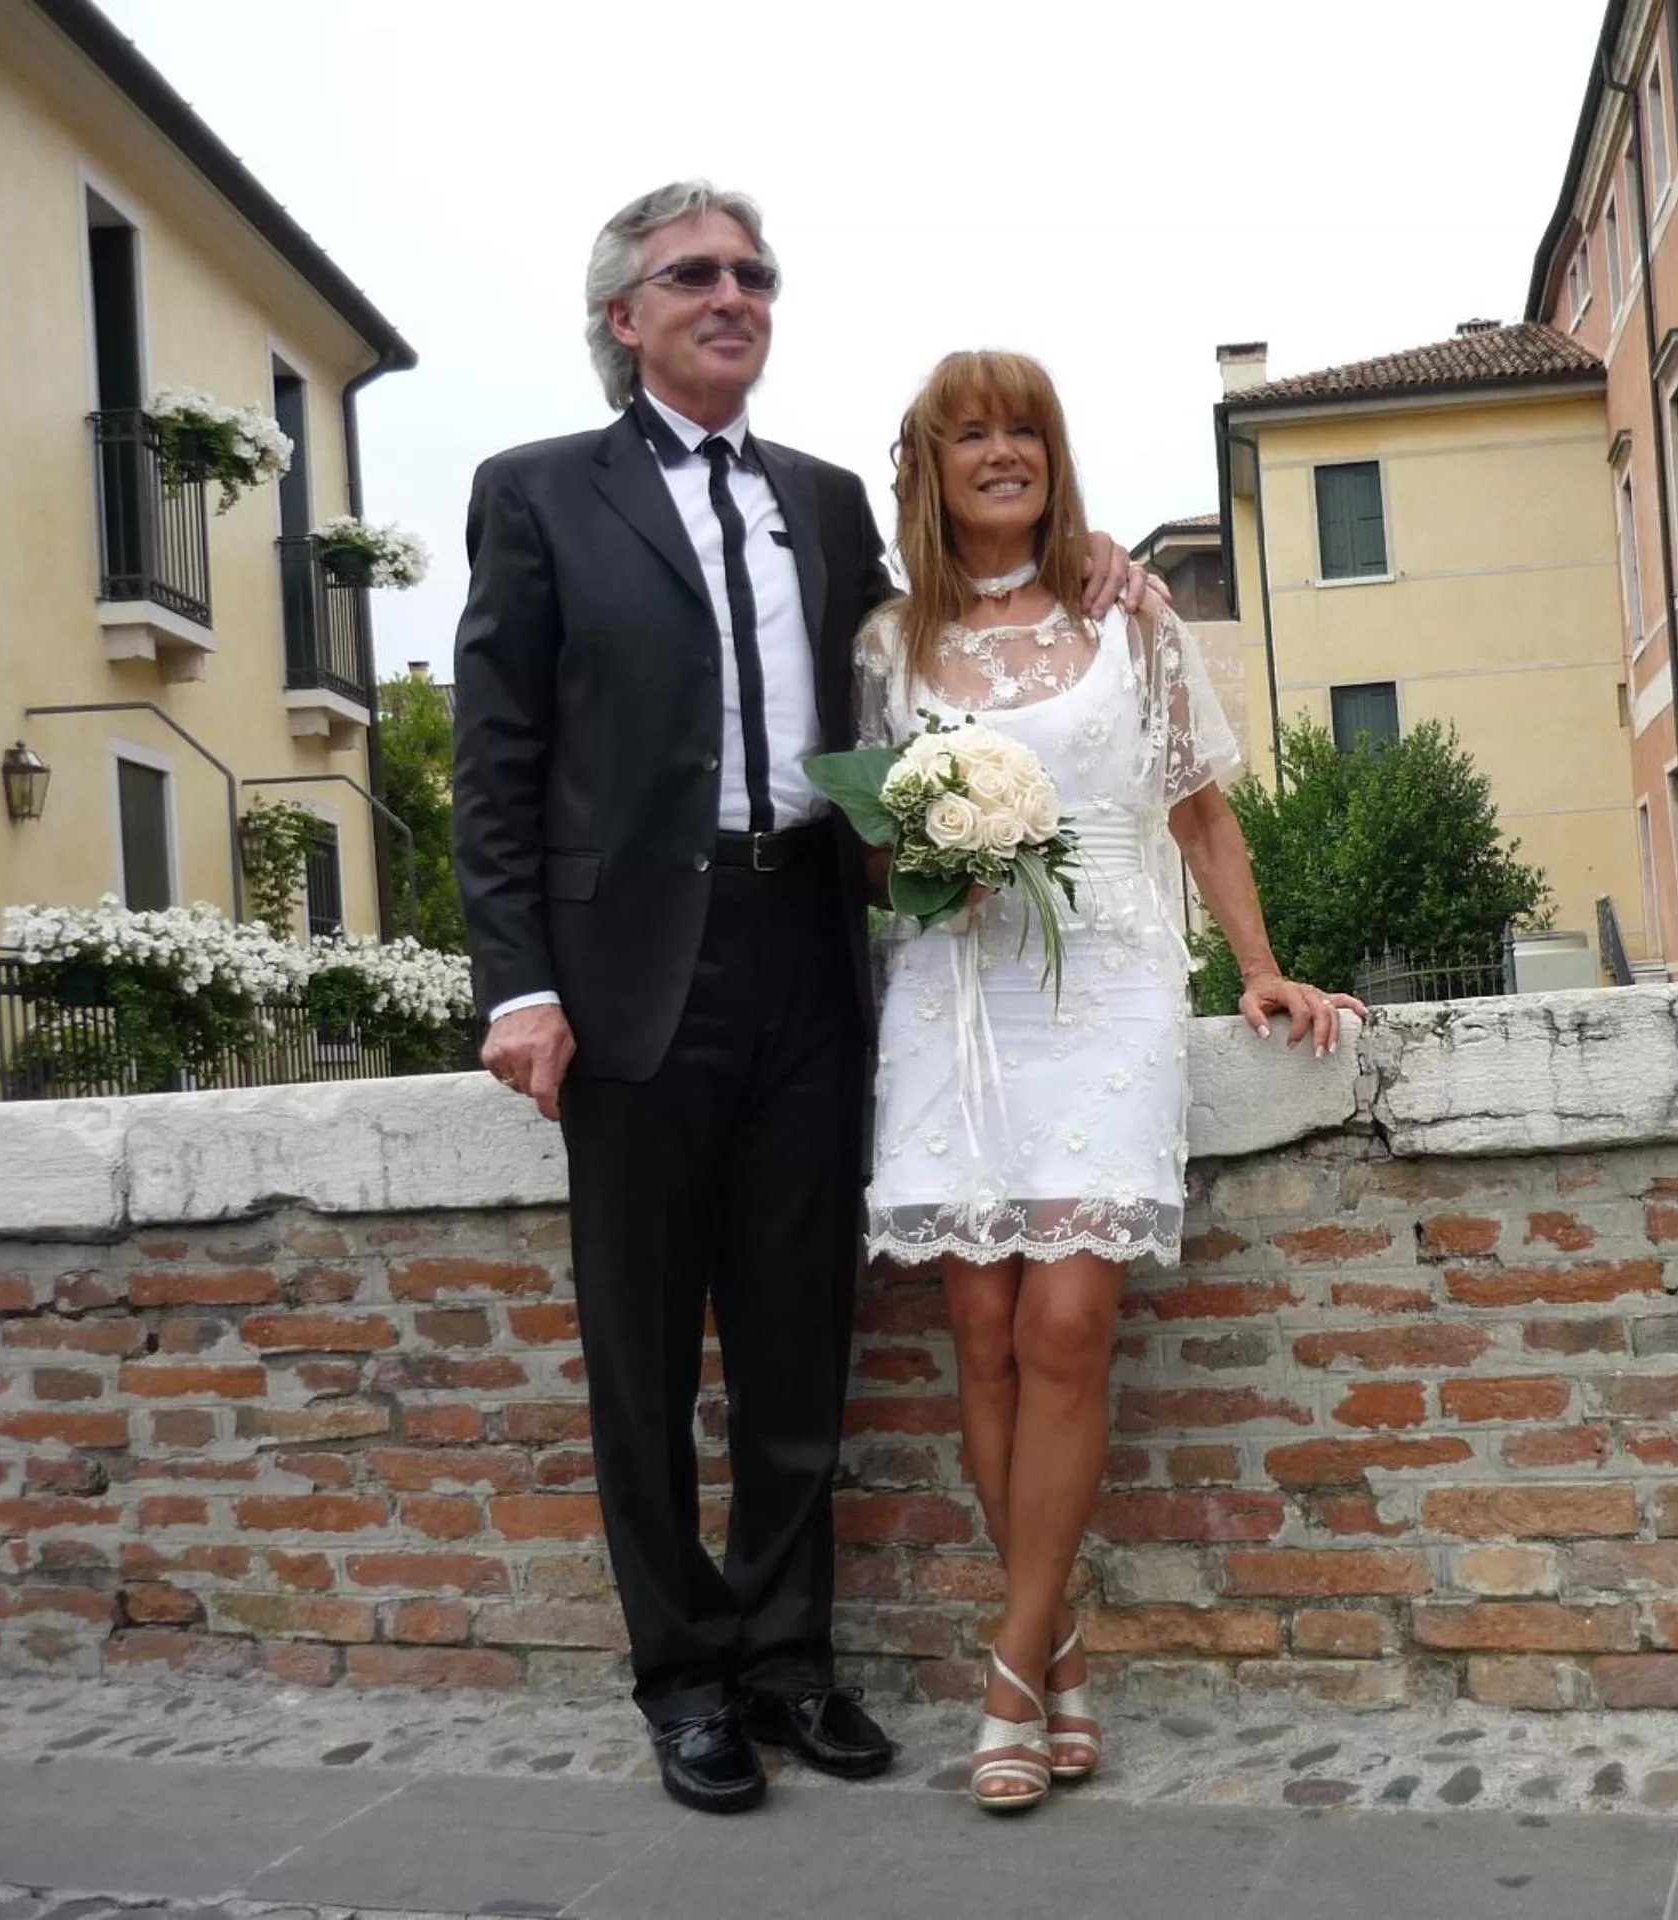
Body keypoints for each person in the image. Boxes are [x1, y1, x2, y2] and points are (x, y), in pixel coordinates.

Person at [451, 185, 1136, 1818]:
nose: (732, 295)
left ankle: (787, 1660)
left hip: (812, 952)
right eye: (694, 274)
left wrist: (1095, 558)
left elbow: (948, 632)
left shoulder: (824, 504)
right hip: (627, 974)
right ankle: (683, 1678)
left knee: (795, 1341)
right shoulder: (538, 492)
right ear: (625, 315)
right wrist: (519, 984)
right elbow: (498, 755)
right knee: (642, 1355)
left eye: (753, 273)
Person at [855, 351, 1362, 1814]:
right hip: (960, 1000)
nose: (1002, 452)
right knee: (983, 1332)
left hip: (1110, 993)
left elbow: (1200, 814)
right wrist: (930, 859)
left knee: (1068, 1321)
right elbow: (874, 848)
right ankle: (1056, 1645)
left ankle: (1010, 1668)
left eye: (1024, 428)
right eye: (972, 434)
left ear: (1052, 452)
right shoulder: (890, 645)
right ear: (933, 468)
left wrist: (1259, 966)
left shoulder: (1128, 616)